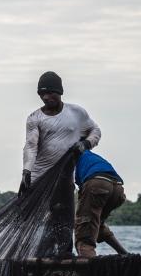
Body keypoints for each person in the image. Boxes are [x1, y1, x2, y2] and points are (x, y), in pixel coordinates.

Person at [19, 71, 102, 256]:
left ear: (60, 92)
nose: (46, 97)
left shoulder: (76, 113)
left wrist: (86, 143)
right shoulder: (35, 118)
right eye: (42, 94)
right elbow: (31, 146)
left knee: (63, 217)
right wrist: (26, 172)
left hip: (65, 178)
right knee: (36, 219)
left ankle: (63, 255)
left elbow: (95, 130)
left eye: (50, 93)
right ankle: (36, 255)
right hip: (40, 177)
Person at [75, 149, 128, 258]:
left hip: (98, 184)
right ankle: (125, 255)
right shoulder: (90, 156)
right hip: (117, 189)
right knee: (97, 224)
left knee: (84, 235)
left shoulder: (71, 157)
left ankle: (90, 270)